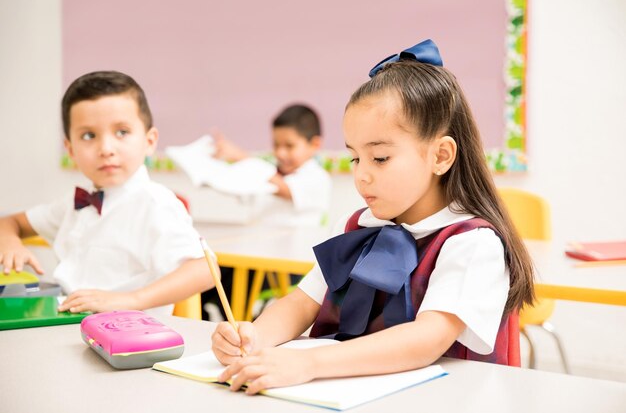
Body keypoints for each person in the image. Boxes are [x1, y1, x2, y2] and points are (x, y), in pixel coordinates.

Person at [210, 39, 535, 394]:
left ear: (441, 156)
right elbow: (301, 303)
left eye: (379, 158)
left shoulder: (472, 244)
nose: (361, 175)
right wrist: (254, 338)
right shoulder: (354, 227)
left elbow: (426, 339)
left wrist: (308, 363)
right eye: (354, 158)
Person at [0, 71, 214, 315]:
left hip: (128, 339)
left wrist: (130, 300)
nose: (106, 148)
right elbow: (9, 222)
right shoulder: (73, 203)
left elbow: (206, 270)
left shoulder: (156, 204)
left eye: (122, 132)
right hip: (70, 326)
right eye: (89, 135)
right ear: (70, 149)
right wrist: (9, 242)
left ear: (150, 141)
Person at [212, 104, 331, 227]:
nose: (280, 153)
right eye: (276, 145)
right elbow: (240, 187)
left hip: (297, 245)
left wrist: (242, 158)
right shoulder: (268, 172)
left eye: (289, 146)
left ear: (314, 145)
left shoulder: (318, 178)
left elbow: (283, 189)